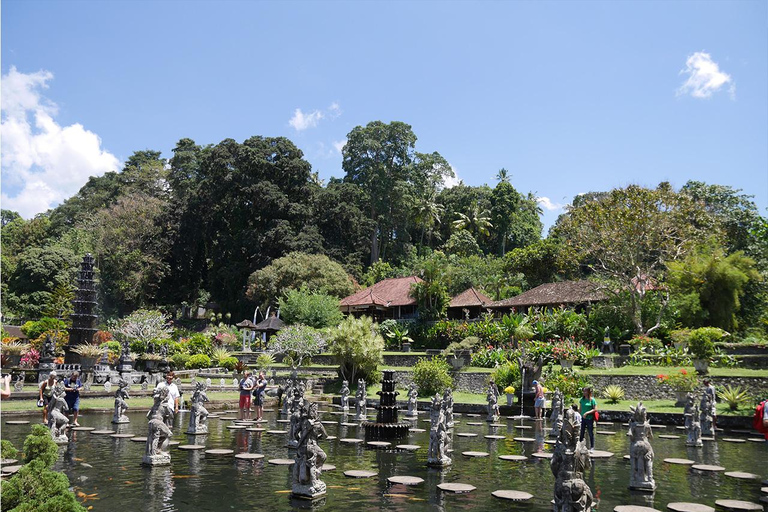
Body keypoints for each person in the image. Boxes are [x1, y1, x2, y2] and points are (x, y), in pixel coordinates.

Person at [579, 386, 598, 451]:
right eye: (583, 391)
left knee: (590, 433)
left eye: (585, 391)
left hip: (589, 418)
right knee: (581, 432)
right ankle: (580, 446)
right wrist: (578, 416)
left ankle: (592, 447)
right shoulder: (582, 400)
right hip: (583, 419)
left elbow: (595, 409)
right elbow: (580, 409)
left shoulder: (592, 400)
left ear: (588, 392)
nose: (584, 392)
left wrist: (587, 413)